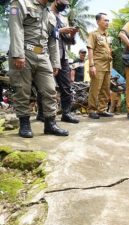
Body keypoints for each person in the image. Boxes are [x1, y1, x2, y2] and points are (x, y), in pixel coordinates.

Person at [8, 0, 69, 138]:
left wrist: (55, 63)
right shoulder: (20, 4)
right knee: (22, 90)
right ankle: (24, 124)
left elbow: (53, 40)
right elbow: (15, 28)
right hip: (24, 53)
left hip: (43, 55)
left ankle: (50, 124)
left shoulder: (50, 14)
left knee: (50, 90)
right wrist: (18, 54)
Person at [47, 0, 79, 124]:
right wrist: (60, 31)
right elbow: (43, 33)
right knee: (45, 86)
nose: (65, 5)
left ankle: (66, 113)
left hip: (63, 56)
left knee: (66, 86)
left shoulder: (64, 19)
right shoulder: (46, 14)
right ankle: (42, 114)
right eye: (63, 2)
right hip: (48, 55)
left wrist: (72, 34)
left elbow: (68, 41)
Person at [87, 13, 113, 119]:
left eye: (108, 20)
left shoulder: (107, 36)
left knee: (105, 89)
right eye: (105, 20)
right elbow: (90, 49)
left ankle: (102, 109)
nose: (107, 22)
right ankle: (92, 110)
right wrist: (91, 65)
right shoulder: (93, 34)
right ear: (98, 22)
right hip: (97, 65)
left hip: (108, 66)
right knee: (95, 88)